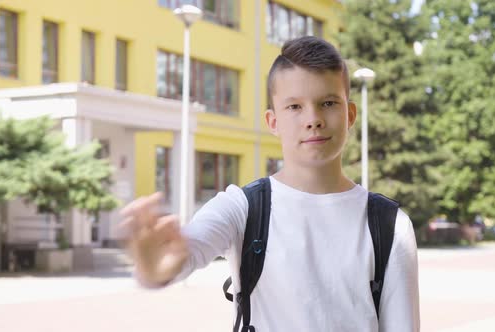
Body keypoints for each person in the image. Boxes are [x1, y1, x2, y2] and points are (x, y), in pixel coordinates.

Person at [119, 36, 420, 331]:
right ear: (272, 121)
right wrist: (154, 268)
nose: (312, 118)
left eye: (328, 102)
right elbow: (188, 251)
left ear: (350, 113)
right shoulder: (242, 208)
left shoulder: (390, 225)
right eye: (294, 107)